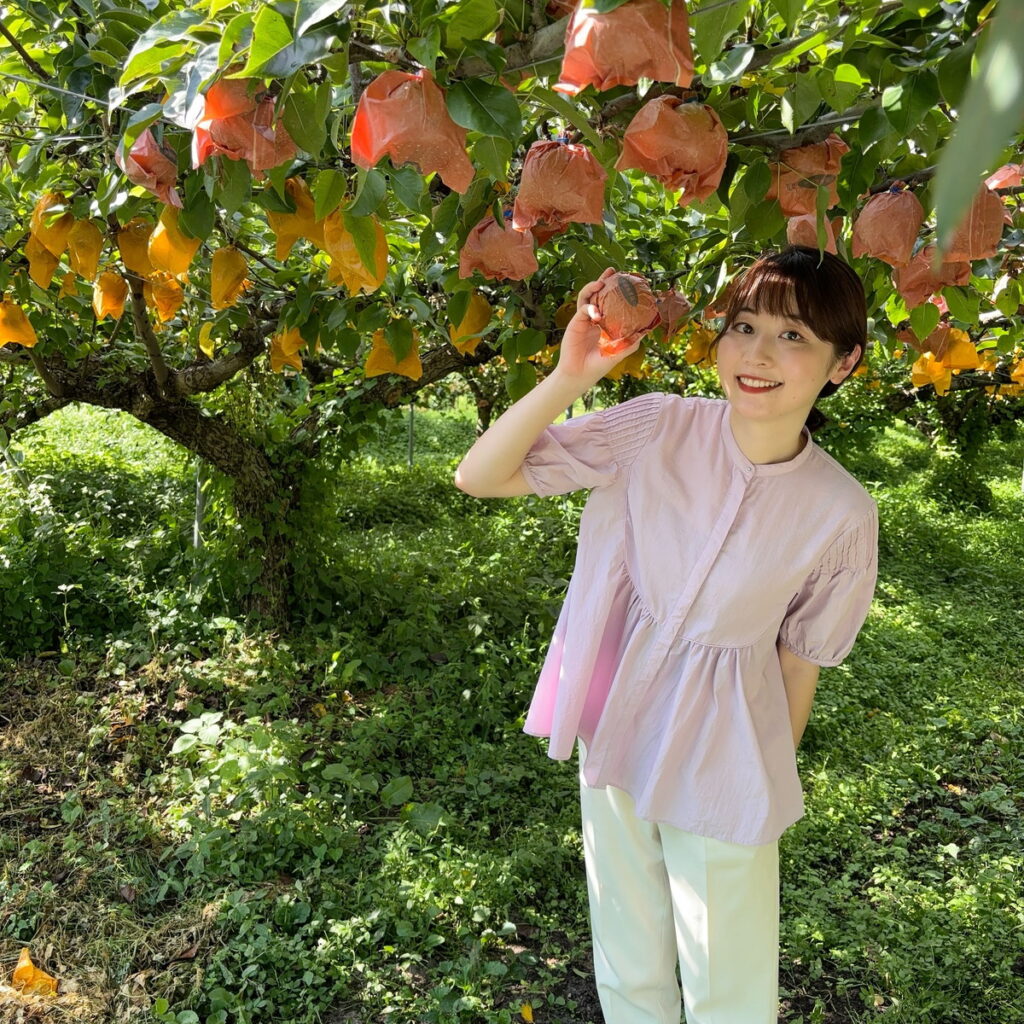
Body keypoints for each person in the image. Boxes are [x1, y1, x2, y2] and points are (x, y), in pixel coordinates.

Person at [454, 246, 879, 1024]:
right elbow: (479, 476)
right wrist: (570, 380)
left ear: (842, 362)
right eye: (744, 325)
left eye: (793, 337)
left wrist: (763, 781)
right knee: (628, 949)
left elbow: (800, 658)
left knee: (728, 980)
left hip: (726, 750)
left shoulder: (841, 512)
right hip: (615, 714)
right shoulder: (658, 426)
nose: (755, 354)